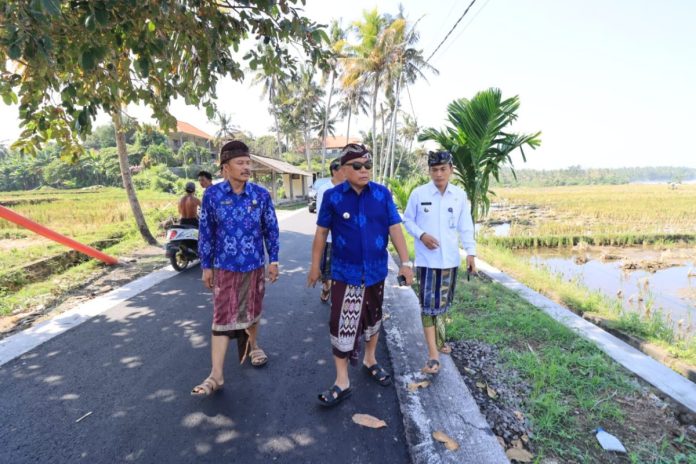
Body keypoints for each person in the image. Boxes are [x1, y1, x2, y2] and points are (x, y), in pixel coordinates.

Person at [307, 143, 414, 407]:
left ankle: (370, 359)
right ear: (344, 169)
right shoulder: (333, 197)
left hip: (376, 271)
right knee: (340, 323)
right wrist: (315, 266)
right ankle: (342, 381)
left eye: (368, 166)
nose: (364, 170)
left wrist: (405, 262)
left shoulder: (382, 194)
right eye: (357, 166)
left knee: (373, 318)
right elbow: (321, 233)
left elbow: (395, 227)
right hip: (345, 273)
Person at [191, 140, 280, 397]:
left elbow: (271, 229)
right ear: (225, 168)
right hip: (224, 267)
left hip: (253, 265)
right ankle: (216, 375)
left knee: (252, 309)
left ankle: (254, 346)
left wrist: (273, 260)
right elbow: (206, 233)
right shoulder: (212, 196)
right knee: (221, 316)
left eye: (248, 162)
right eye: (240, 163)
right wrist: (206, 266)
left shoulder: (260, 195)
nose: (246, 167)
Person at [402, 150, 477, 375]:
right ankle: (433, 355)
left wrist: (471, 253)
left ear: (451, 169)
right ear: (429, 171)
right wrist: (422, 235)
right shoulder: (419, 193)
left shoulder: (459, 195)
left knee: (444, 304)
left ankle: (441, 339)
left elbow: (466, 225)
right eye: (434, 169)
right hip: (427, 261)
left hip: (450, 260)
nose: (438, 173)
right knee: (428, 307)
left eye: (443, 169)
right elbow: (407, 220)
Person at [314, 158, 346, 303]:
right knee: (326, 271)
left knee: (341, 270)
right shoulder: (325, 190)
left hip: (345, 238)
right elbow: (322, 215)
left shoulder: (349, 187)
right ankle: (326, 288)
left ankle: (338, 298)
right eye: (342, 168)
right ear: (334, 170)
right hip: (329, 238)